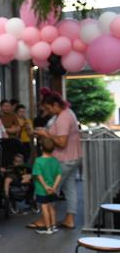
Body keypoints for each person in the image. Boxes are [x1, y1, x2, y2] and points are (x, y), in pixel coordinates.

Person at [34, 93, 82, 230]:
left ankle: (46, 219)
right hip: (74, 157)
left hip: (65, 159)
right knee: (70, 188)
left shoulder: (63, 118)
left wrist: (46, 134)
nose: (48, 112)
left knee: (50, 188)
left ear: (55, 104)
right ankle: (70, 219)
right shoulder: (68, 113)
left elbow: (61, 142)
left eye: (49, 108)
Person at [32, 138, 62, 235]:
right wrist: (53, 187)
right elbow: (59, 175)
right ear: (53, 149)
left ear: (41, 148)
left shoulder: (38, 161)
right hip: (52, 190)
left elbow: (38, 175)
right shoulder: (55, 161)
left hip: (42, 190)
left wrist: (45, 187)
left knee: (44, 208)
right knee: (51, 207)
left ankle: (47, 228)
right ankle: (54, 226)